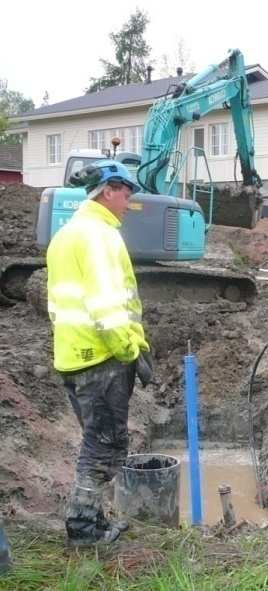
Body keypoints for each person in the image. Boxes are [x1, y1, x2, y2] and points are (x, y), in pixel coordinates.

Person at [47, 160, 154, 545]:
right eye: (127, 193)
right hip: (102, 358)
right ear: (108, 190)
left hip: (73, 354)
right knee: (104, 445)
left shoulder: (68, 234)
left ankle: (93, 519)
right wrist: (128, 350)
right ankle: (83, 529)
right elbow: (106, 302)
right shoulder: (100, 236)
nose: (129, 202)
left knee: (96, 439)